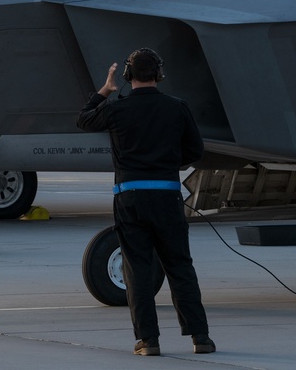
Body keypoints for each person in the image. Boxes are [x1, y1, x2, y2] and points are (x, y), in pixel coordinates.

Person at [77, 48, 215, 357]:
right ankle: (201, 338)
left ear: (127, 76)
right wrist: (166, 163)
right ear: (159, 74)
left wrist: (105, 90)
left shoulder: (116, 109)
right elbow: (195, 151)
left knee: (137, 270)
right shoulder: (177, 108)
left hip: (131, 199)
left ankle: (148, 341)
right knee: (180, 266)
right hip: (167, 195)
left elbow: (83, 120)